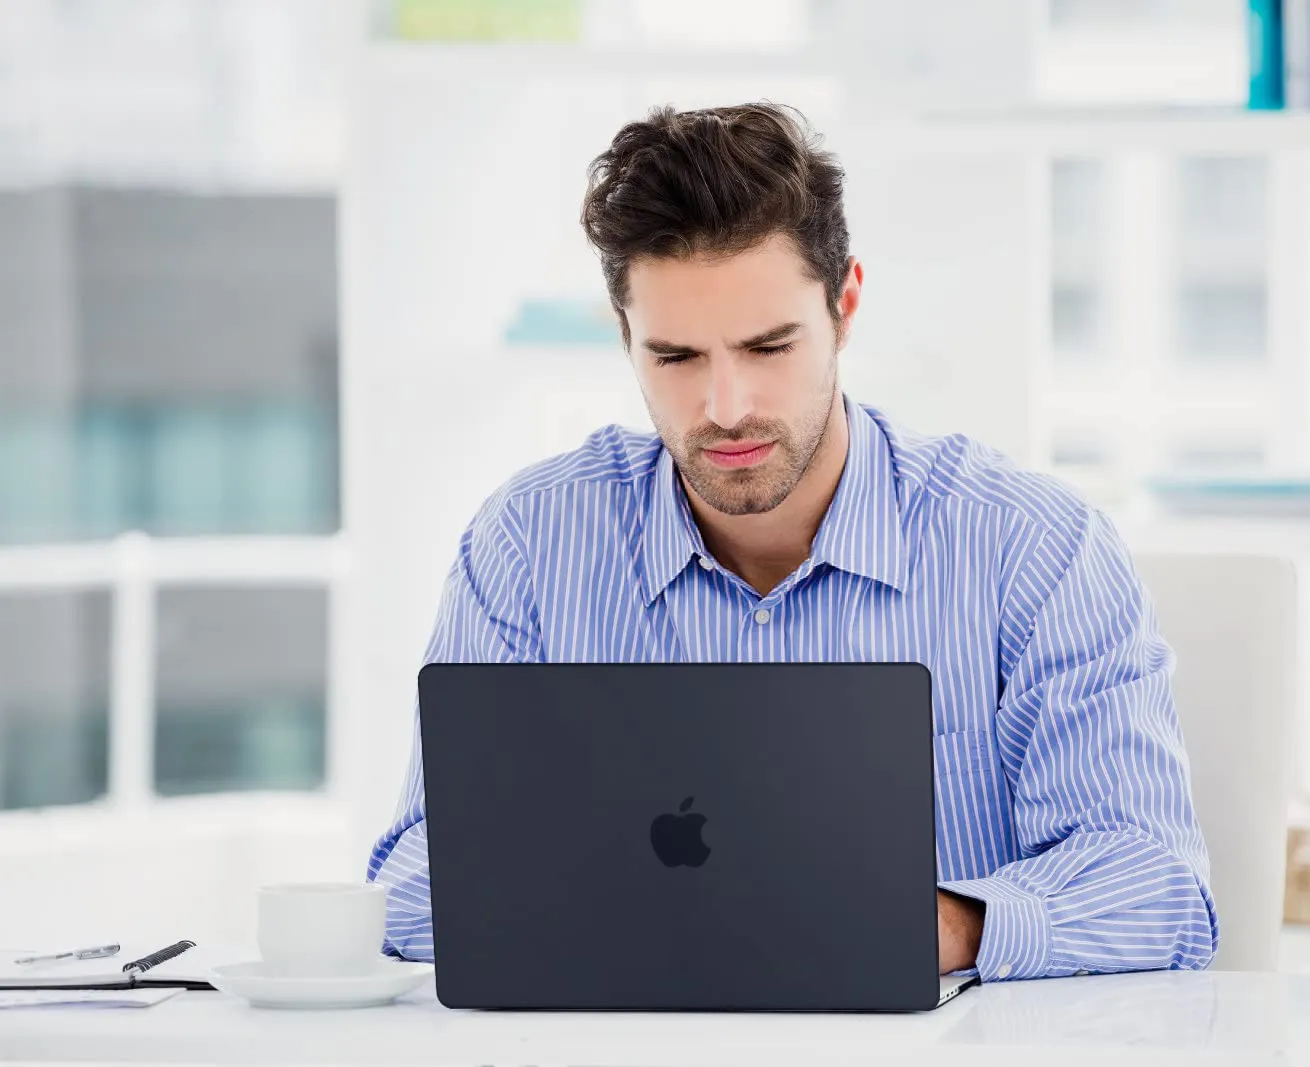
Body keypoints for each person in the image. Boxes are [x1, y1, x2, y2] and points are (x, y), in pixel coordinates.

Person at [368, 102, 1217, 980]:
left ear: (845, 306)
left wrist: (931, 927)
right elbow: (413, 879)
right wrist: (699, 921)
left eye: (768, 347)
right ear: (624, 334)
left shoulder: (1033, 546)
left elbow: (1156, 887)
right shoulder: (529, 543)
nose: (726, 407)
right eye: (676, 357)